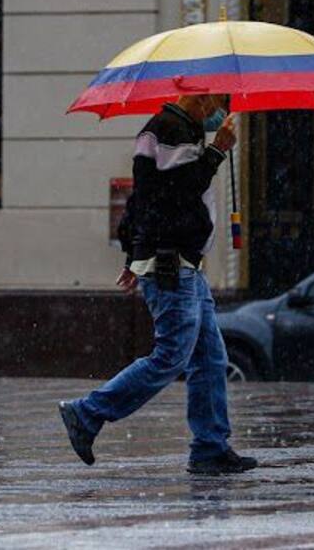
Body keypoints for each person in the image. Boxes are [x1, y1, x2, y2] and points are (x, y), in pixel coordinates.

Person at [59, 93, 258, 475]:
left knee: (210, 358)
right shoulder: (171, 130)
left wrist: (134, 254)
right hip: (173, 265)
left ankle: (210, 447)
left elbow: (144, 200)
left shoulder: (171, 130)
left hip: (182, 264)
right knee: (172, 357)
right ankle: (87, 413)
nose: (223, 108)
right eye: (221, 99)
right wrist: (217, 151)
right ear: (202, 95)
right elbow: (177, 193)